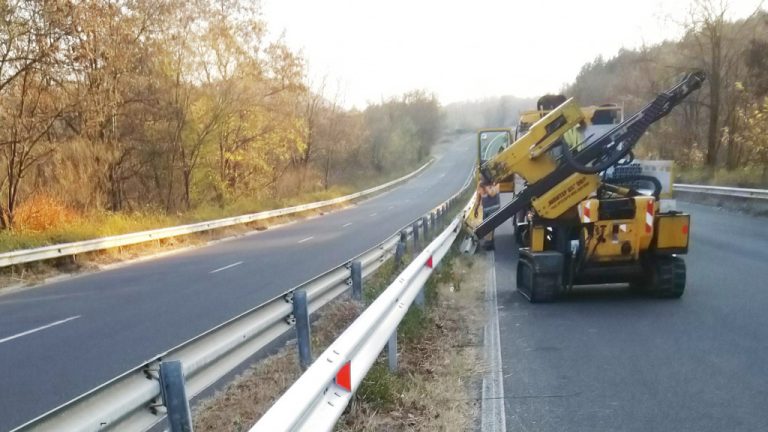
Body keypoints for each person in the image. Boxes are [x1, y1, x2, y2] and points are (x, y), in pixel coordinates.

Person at [473, 179, 501, 250]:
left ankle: (489, 243)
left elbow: (492, 193)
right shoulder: (480, 184)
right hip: (486, 209)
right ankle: (490, 242)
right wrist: (475, 210)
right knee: (487, 226)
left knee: (489, 226)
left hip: (494, 208)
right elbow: (478, 198)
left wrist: (486, 186)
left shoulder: (495, 183)